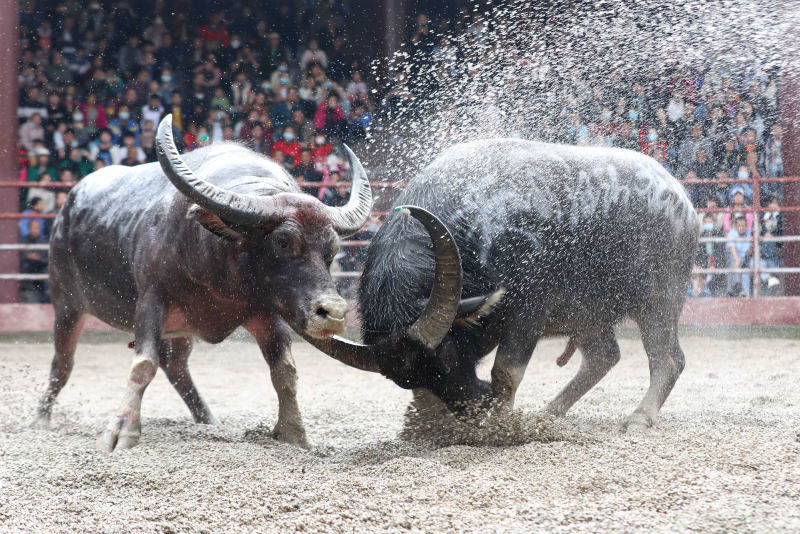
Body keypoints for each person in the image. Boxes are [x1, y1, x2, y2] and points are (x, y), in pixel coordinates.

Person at [19, 218, 50, 303]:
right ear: (29, 229)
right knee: (33, 301)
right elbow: (20, 257)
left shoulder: (43, 242)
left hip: (40, 280)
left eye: (38, 228)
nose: (37, 230)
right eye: (34, 227)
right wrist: (27, 256)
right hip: (27, 281)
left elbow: (47, 259)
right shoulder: (22, 241)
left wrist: (38, 258)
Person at [726, 215, 753, 297]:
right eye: (739, 226)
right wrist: (738, 260)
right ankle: (737, 287)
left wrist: (751, 248)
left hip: (746, 258)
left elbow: (750, 252)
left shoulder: (750, 233)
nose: (741, 228)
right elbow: (732, 248)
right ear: (736, 226)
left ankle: (737, 292)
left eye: (743, 226)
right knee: (734, 264)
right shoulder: (732, 233)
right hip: (734, 258)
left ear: (746, 226)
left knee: (748, 268)